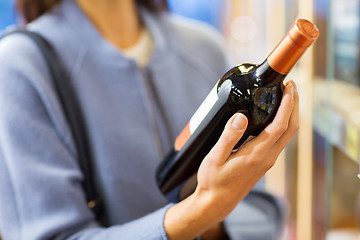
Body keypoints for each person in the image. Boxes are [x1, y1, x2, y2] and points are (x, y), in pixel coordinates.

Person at [0, 0, 299, 239]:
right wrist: (202, 211)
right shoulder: (21, 66)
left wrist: (212, 222)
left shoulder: (204, 47)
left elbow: (263, 213)